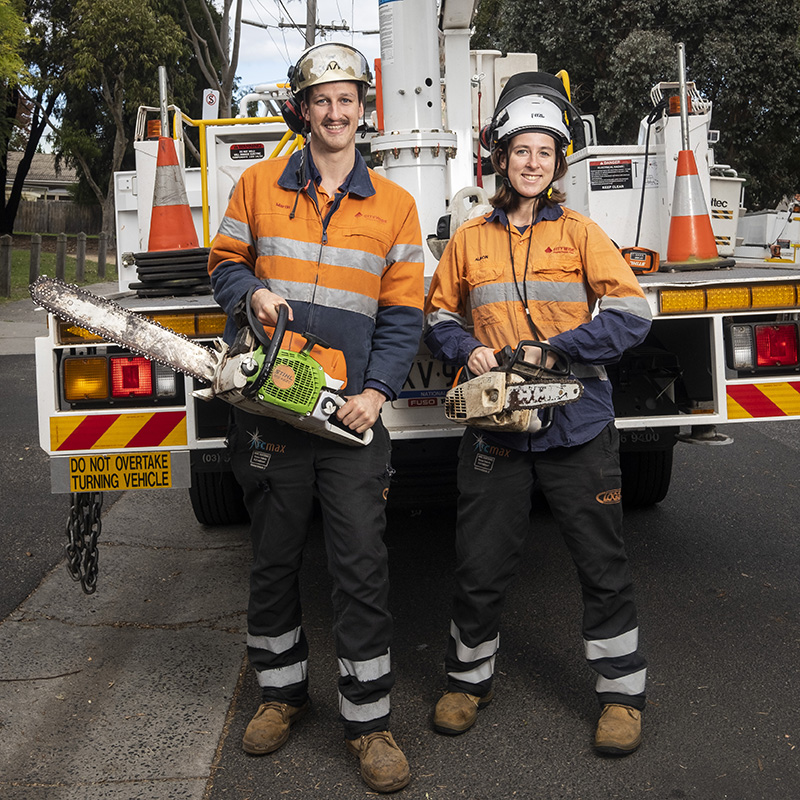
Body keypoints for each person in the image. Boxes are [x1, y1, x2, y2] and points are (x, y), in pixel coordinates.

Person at [208, 42, 424, 792]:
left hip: (348, 417)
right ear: (301, 108)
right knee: (271, 558)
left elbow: (403, 315)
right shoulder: (258, 183)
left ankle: (369, 723)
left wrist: (377, 394)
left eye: (348, 100)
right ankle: (280, 694)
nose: (336, 113)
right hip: (272, 406)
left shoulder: (396, 205)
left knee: (361, 564)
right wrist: (249, 295)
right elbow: (225, 263)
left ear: (366, 109)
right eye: (321, 100)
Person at [423, 72, 652, 756]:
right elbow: (437, 313)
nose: (532, 162)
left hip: (578, 424)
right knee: (480, 561)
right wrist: (469, 350)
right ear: (502, 159)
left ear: (558, 163)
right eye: (521, 150)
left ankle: (620, 695)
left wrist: (559, 349)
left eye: (544, 152)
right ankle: (468, 681)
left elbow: (633, 314)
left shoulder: (581, 233)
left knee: (600, 559)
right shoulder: (469, 239)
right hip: (498, 431)